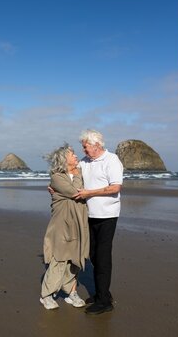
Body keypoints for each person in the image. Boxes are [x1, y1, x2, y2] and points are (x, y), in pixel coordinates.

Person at [74, 129, 124, 315]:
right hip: (89, 214)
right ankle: (103, 293)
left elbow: (115, 187)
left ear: (96, 145)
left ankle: (104, 301)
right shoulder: (85, 162)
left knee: (103, 257)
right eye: (83, 147)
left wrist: (89, 193)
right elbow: (72, 174)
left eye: (85, 147)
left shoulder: (111, 160)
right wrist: (54, 187)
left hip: (107, 215)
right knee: (93, 255)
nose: (84, 150)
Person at [39, 143, 90, 310]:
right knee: (59, 258)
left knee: (75, 258)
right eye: (72, 154)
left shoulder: (79, 171)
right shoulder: (57, 177)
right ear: (63, 159)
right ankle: (46, 295)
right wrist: (77, 174)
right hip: (61, 223)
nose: (75, 156)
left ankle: (71, 292)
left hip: (79, 222)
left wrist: (78, 173)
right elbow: (75, 192)